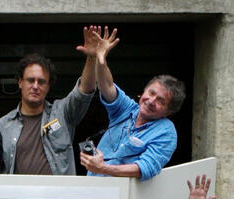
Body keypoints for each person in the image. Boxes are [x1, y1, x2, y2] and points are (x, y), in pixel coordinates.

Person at [78, 27, 185, 181]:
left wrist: (103, 168)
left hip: (123, 193)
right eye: (151, 93)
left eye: (161, 101)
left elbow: (143, 168)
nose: (151, 101)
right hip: (93, 187)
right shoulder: (128, 108)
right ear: (144, 91)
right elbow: (107, 86)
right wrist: (101, 59)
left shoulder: (166, 132)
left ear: (169, 111)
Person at [0, 36, 95, 175]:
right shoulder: (2, 126)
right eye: (30, 80)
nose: (35, 86)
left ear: (48, 86)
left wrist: (92, 58)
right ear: (20, 82)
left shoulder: (62, 113)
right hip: (19, 190)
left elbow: (84, 91)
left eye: (41, 82)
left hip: (57, 189)